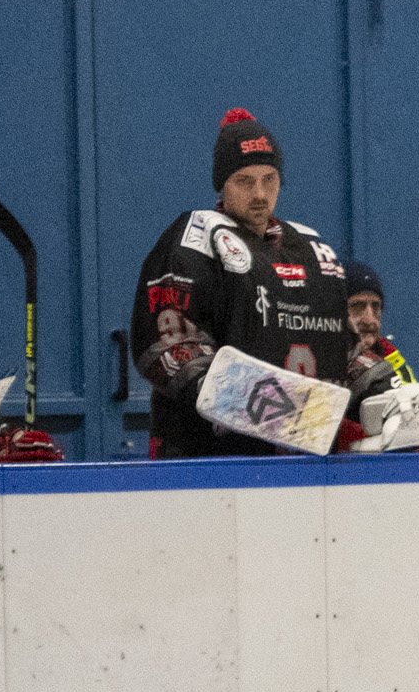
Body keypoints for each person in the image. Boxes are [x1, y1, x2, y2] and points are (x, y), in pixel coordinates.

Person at [130, 109, 356, 458]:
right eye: (245, 181)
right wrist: (294, 417)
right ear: (222, 183)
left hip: (304, 462)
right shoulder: (196, 240)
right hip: (206, 461)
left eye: (270, 179)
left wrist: (390, 400)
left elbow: (348, 349)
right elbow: (170, 349)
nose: (260, 194)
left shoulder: (312, 249)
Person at [342, 263, 415, 395]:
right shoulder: (321, 366)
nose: (369, 320)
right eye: (358, 306)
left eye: (375, 306)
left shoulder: (392, 359)